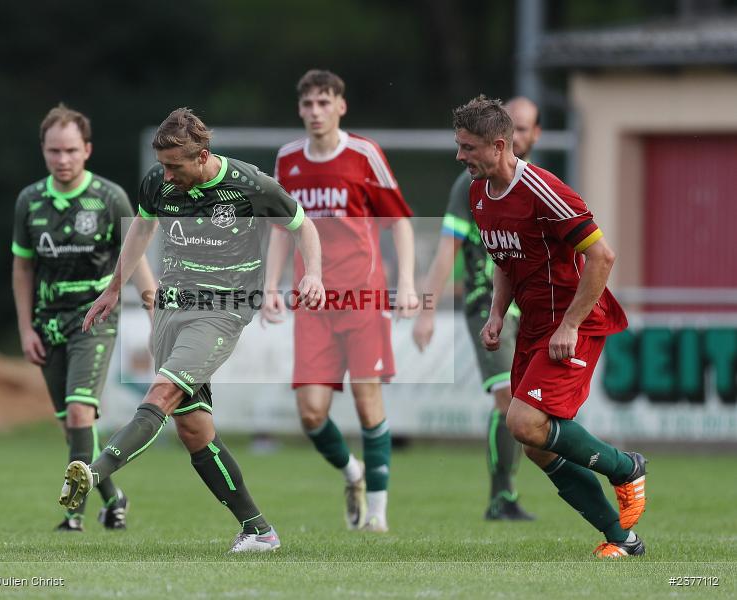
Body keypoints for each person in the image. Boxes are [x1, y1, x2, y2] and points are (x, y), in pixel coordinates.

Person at [59, 107, 325, 553]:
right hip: (171, 309)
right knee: (195, 430)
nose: (167, 174)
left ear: (202, 155)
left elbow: (303, 226)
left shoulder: (250, 185)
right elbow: (142, 228)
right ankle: (258, 530)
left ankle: (94, 472)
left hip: (222, 311)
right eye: (162, 165)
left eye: (175, 166)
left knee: (161, 393)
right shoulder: (158, 183)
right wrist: (111, 290)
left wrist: (313, 273)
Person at [452, 95, 647, 558]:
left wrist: (570, 325)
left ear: (499, 146)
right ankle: (621, 539)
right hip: (533, 325)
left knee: (522, 421)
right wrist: (498, 313)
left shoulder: (545, 191)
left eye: (468, 148)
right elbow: (504, 259)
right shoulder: (479, 192)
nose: (460, 157)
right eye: (458, 146)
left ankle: (625, 467)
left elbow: (603, 257)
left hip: (573, 324)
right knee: (537, 445)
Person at [262, 70, 417, 533]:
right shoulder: (287, 159)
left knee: (369, 401)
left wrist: (407, 282)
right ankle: (354, 473)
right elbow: (279, 228)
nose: (315, 112)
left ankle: (378, 512)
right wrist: (270, 285)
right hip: (312, 303)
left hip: (363, 298)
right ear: (300, 110)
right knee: (311, 413)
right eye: (308, 104)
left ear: (340, 107)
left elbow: (400, 222)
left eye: (324, 103)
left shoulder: (364, 154)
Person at [12, 103, 156, 531]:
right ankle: (114, 496)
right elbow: (22, 268)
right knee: (73, 427)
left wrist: (154, 313)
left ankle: (73, 513)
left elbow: (135, 259)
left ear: (87, 150)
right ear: (43, 151)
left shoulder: (109, 197)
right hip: (47, 322)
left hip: (94, 317)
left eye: (71, 150)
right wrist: (25, 327)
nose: (63, 159)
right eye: (54, 151)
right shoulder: (30, 201)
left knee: (79, 414)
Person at [414, 97, 542, 521]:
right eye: (514, 127)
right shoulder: (467, 185)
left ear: (533, 136)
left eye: (525, 129)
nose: (518, 136)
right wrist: (428, 309)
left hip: (534, 309)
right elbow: (447, 249)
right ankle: (500, 497)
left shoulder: (538, 183)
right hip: (485, 305)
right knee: (507, 401)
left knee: (533, 408)